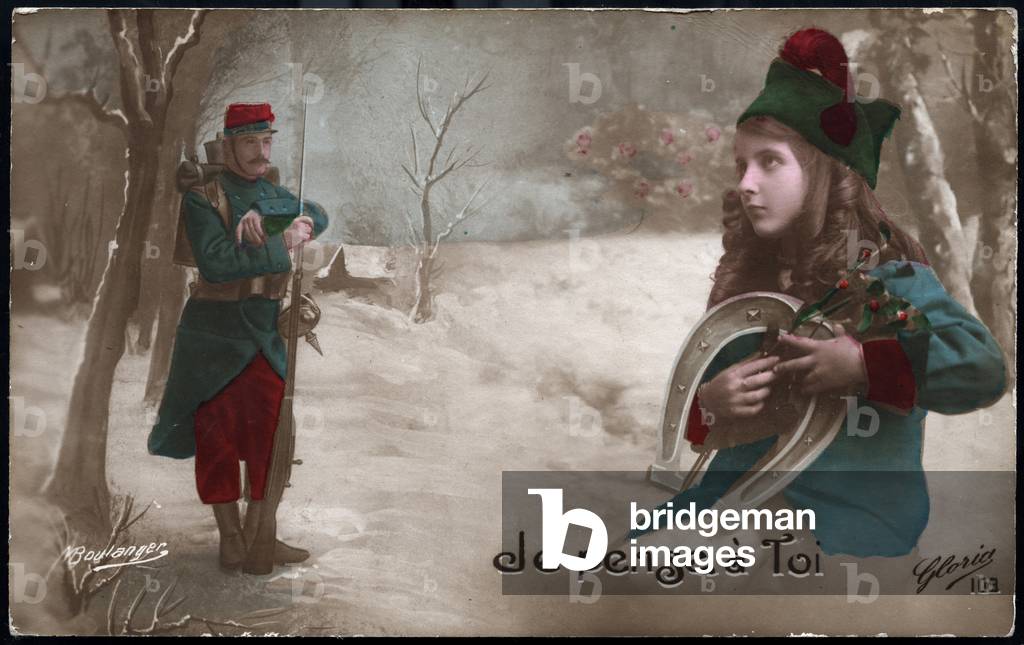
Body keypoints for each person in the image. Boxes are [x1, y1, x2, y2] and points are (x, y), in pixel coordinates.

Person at [634, 29, 1008, 559]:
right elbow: (723, 423)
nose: (746, 183)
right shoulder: (753, 287)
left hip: (850, 523)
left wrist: (863, 364)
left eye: (769, 162)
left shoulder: (888, 277)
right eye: (741, 165)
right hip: (739, 505)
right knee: (621, 559)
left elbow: (983, 370)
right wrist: (712, 404)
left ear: (825, 171)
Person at [149, 102, 329, 571]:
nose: (261, 151)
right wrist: (281, 241)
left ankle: (260, 534)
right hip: (214, 334)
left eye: (266, 141)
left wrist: (278, 219)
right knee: (218, 440)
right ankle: (231, 537)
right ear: (228, 146)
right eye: (250, 141)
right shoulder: (203, 198)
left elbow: (317, 213)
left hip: (265, 333)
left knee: (272, 437)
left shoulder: (271, 193)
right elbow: (217, 264)